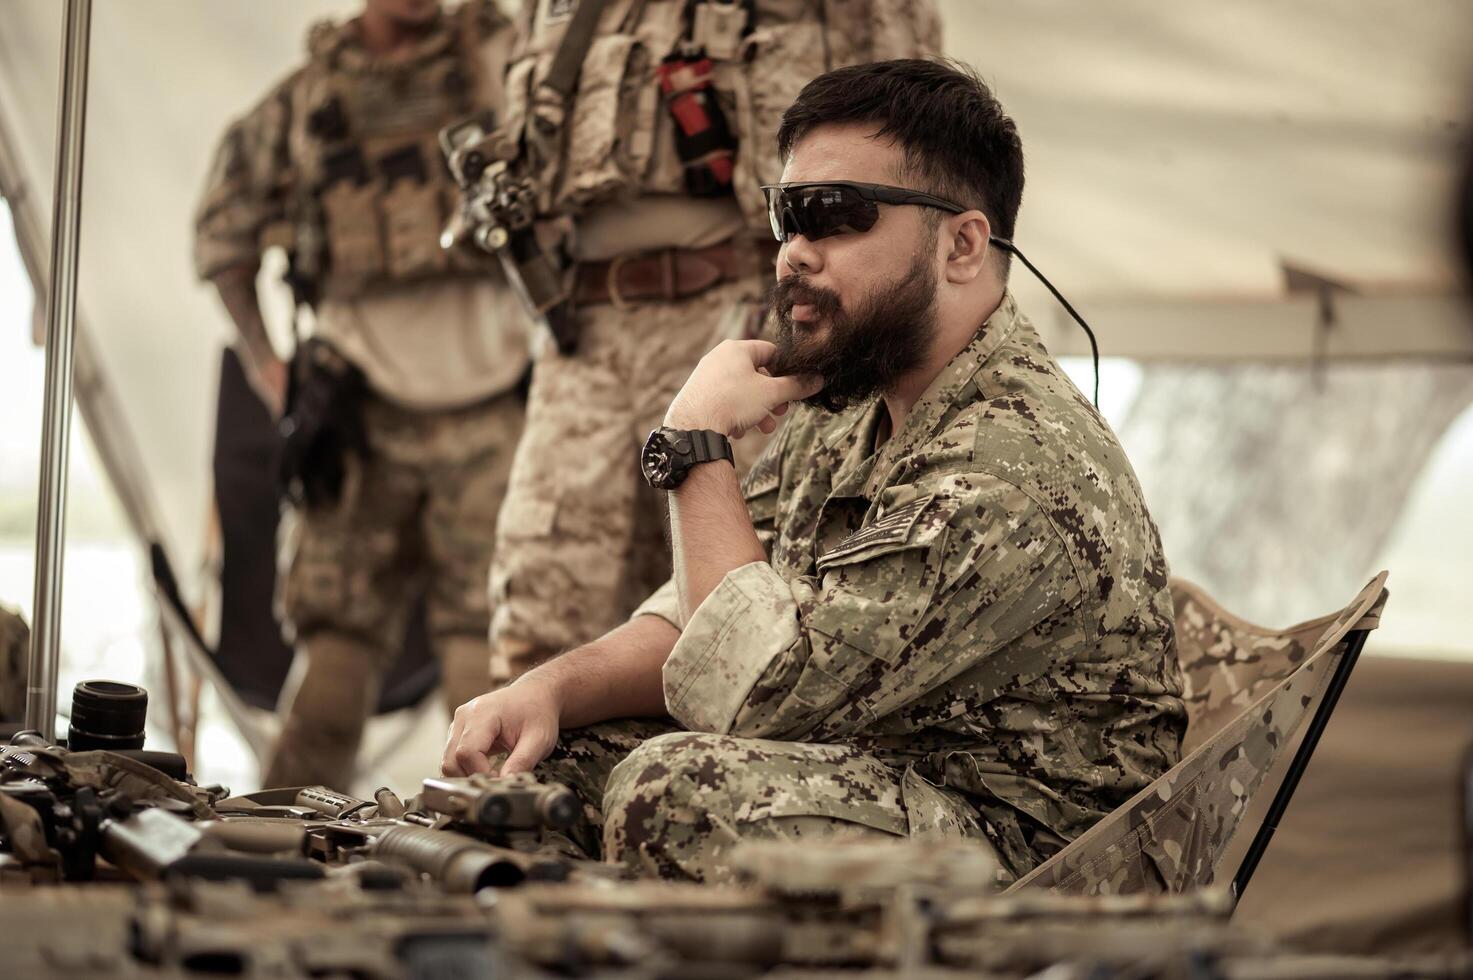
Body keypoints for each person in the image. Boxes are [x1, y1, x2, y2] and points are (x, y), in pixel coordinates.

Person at [442, 59, 1186, 884]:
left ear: (962, 245)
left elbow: (751, 691)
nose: (791, 254)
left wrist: (694, 443)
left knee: (678, 791)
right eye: (784, 215)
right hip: (875, 777)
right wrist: (546, 690)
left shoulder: (1011, 463)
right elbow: (704, 619)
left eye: (833, 215)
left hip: (1039, 862)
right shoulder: (857, 402)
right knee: (535, 775)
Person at [482, 0, 942, 684]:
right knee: (539, 604)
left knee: (734, 599)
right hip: (581, 331)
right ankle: (525, 784)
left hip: (743, 312)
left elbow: (915, 145)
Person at [194, 0, 531, 789]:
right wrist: (263, 361)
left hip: (489, 413)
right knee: (333, 663)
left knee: (481, 658)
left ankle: (491, 859)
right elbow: (221, 234)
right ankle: (276, 866)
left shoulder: (502, 68)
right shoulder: (307, 102)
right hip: (357, 421)